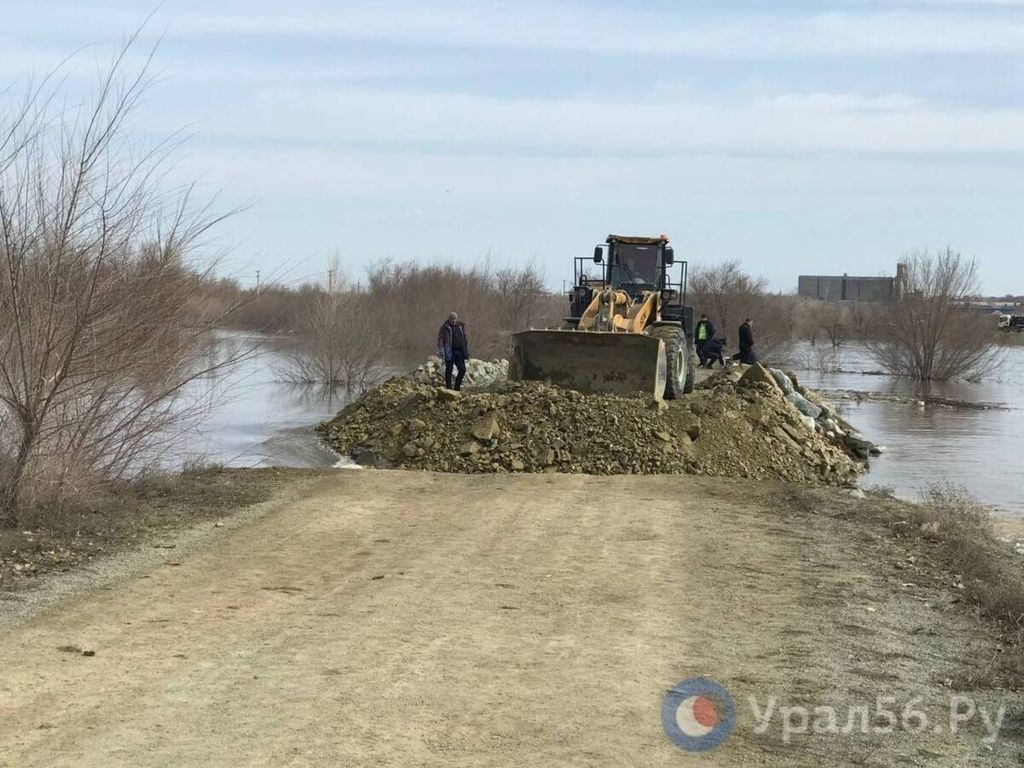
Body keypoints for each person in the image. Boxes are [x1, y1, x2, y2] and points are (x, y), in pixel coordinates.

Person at [437, 311, 470, 390]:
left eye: (455, 319)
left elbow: (464, 339)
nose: (454, 321)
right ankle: (448, 388)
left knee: (462, 369)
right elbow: (440, 340)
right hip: (449, 351)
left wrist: (466, 350)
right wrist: (441, 351)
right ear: (449, 319)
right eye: (452, 319)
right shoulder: (444, 328)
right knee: (449, 370)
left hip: (459, 351)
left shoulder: (460, 326)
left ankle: (457, 387)